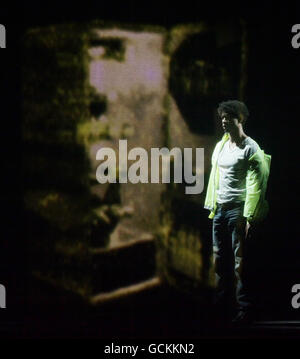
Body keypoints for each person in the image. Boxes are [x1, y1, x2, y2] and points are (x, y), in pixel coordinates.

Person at [204, 100, 271, 326]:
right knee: (219, 262)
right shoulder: (221, 146)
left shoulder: (250, 147)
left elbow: (257, 184)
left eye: (228, 118)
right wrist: (214, 205)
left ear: (239, 119)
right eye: (222, 117)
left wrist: (250, 216)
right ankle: (222, 307)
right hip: (220, 211)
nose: (223, 121)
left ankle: (245, 310)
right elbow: (216, 178)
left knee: (240, 264)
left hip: (237, 212)